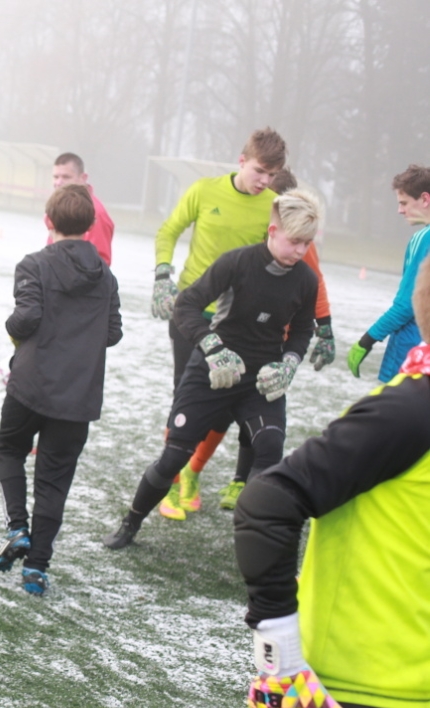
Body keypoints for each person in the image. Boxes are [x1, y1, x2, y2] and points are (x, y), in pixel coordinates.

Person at [233, 259, 430, 708]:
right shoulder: (410, 410)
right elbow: (269, 503)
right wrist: (280, 661)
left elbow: (268, 503)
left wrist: (278, 662)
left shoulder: (411, 408)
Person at [103, 189, 321, 550]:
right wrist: (213, 348)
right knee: (175, 455)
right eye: (295, 241)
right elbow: (186, 306)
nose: (300, 251)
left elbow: (300, 330)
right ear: (272, 231)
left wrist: (289, 363)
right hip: (211, 372)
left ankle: (257, 545)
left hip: (259, 381)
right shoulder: (236, 262)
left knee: (270, 450)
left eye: (307, 243)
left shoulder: (306, 280)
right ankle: (130, 525)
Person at [168, 167, 337, 518]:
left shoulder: (299, 243)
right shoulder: (246, 241)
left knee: (257, 426)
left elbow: (314, 283)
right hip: (219, 324)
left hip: (270, 348)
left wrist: (324, 328)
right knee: (203, 410)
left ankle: (238, 481)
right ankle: (180, 475)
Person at [0, 184, 122, 595]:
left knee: (8, 450)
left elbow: (26, 318)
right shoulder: (106, 276)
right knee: (54, 480)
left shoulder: (34, 264)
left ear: (48, 221)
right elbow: (113, 333)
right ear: (90, 225)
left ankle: (17, 527)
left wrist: (12, 328)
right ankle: (37, 568)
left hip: (30, 384)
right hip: (78, 395)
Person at [151, 128, 287, 519]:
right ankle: (170, 485)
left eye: (272, 175)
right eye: (259, 171)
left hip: (238, 323)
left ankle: (192, 473)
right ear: (242, 161)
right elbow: (169, 230)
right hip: (192, 311)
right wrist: (163, 275)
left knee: (225, 405)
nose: (264, 181)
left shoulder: (275, 206)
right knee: (185, 395)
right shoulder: (203, 190)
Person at [348, 163, 430, 383]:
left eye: (404, 203)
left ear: (425, 199)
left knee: (396, 402)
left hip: (410, 350)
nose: (400, 210)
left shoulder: (425, 238)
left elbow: (407, 304)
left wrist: (367, 340)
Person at [43, 152, 114, 266]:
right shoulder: (58, 206)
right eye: (55, 177)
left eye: (66, 177)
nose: (58, 183)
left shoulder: (96, 212)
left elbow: (100, 264)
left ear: (83, 178)